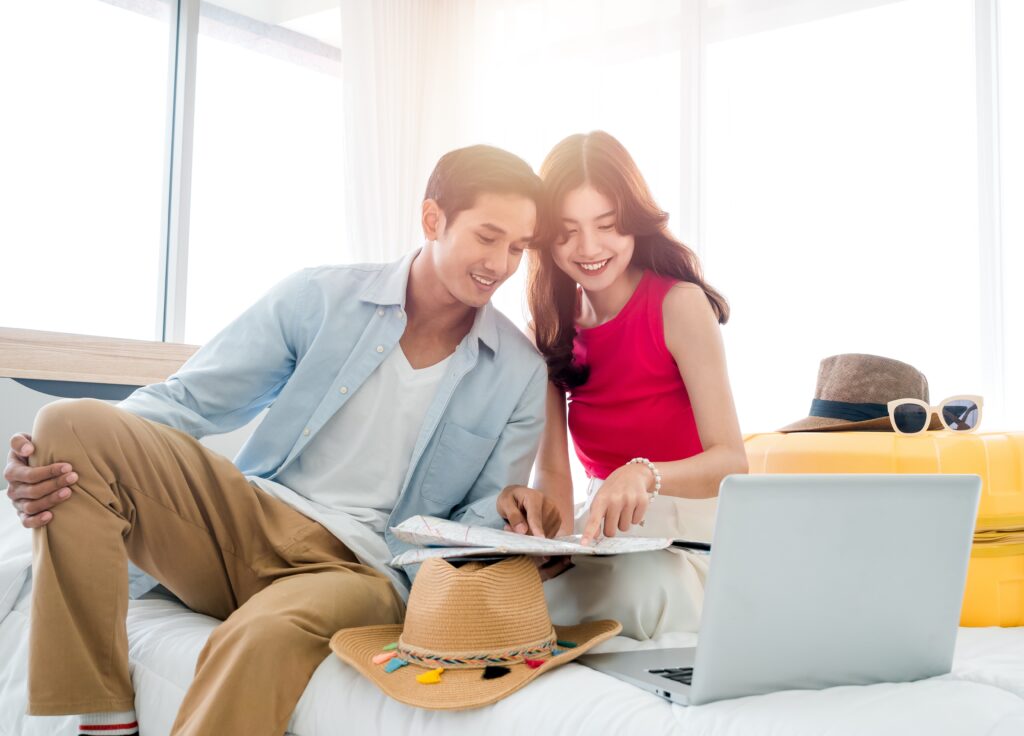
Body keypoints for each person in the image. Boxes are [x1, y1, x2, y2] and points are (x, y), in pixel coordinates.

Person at [2, 145, 560, 736]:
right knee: (65, 423)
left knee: (258, 637)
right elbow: (188, 400)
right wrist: (64, 460)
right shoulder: (318, 297)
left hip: (364, 568)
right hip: (252, 518)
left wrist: (512, 521)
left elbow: (475, 521)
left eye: (518, 249)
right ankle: (105, 716)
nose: (500, 263)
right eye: (487, 237)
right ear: (432, 220)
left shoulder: (520, 372)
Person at [527, 131, 748, 639]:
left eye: (606, 225)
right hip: (608, 536)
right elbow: (555, 474)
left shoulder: (678, 305)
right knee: (515, 594)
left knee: (642, 588)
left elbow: (732, 460)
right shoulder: (551, 330)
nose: (589, 248)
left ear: (633, 223)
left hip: (693, 536)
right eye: (567, 231)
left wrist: (644, 474)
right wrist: (545, 545)